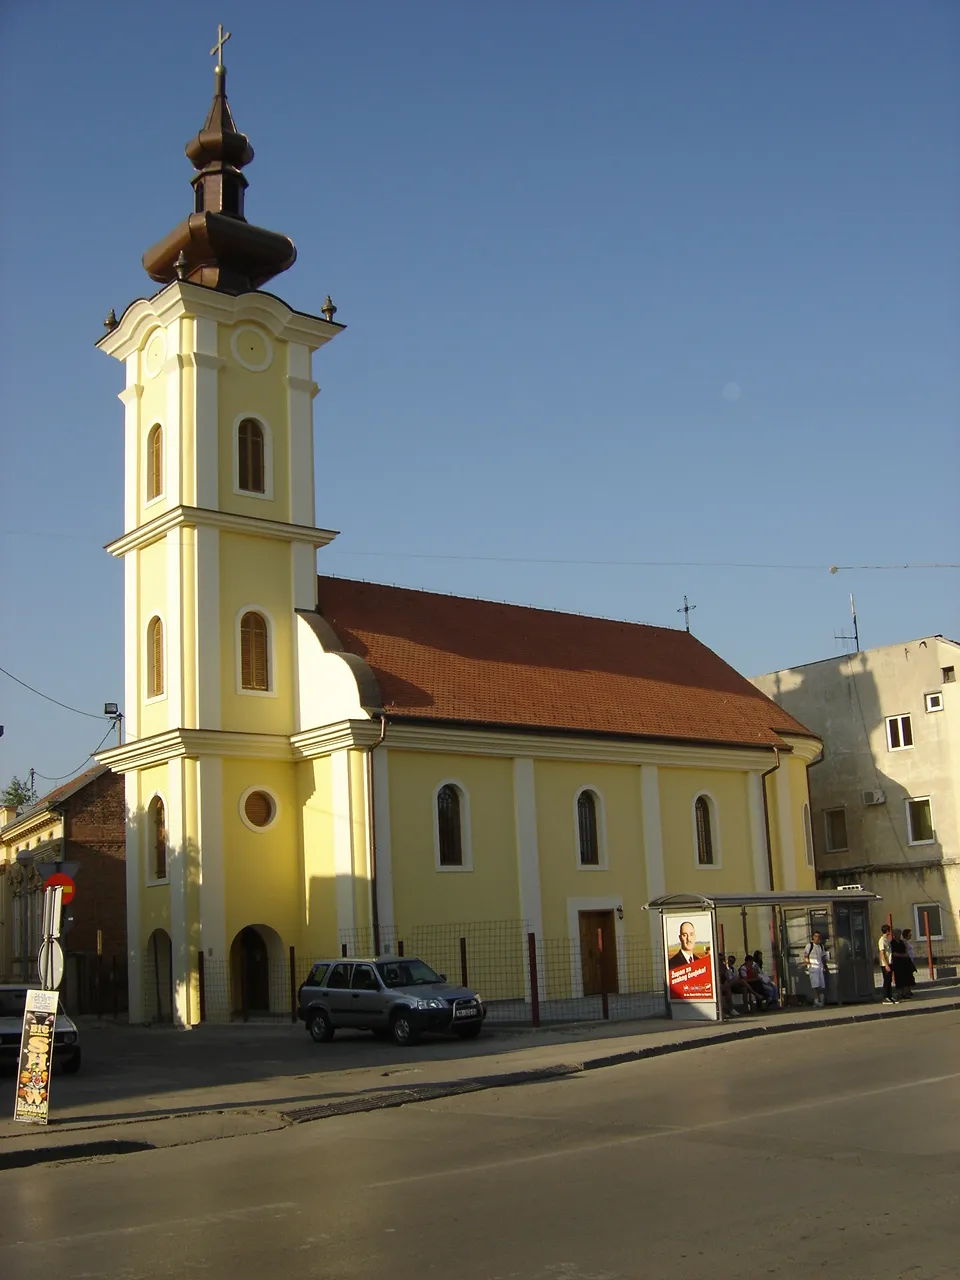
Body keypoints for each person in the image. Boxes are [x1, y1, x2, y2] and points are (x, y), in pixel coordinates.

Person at [803, 930, 827, 1007]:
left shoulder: (821, 946)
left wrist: (825, 967)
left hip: (820, 967)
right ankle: (816, 1000)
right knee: (815, 985)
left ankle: (821, 999)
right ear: (813, 937)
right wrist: (808, 965)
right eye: (815, 936)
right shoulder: (809, 945)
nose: (817, 938)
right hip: (813, 967)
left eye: (818, 937)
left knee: (821, 985)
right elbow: (806, 956)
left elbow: (823, 957)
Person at [891, 928, 913, 1000]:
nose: (899, 935)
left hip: (904, 962)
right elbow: (893, 953)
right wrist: (902, 955)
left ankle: (905, 992)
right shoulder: (893, 942)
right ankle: (900, 993)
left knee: (905, 977)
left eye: (900, 934)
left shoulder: (901, 942)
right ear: (894, 934)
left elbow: (905, 949)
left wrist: (905, 955)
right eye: (898, 934)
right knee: (899, 978)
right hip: (897, 962)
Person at [878, 923, 895, 1004]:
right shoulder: (882, 940)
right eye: (889, 930)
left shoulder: (887, 939)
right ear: (887, 931)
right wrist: (886, 965)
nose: (890, 932)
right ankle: (885, 997)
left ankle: (889, 996)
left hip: (890, 962)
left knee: (889, 980)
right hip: (885, 964)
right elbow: (882, 953)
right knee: (886, 980)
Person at [902, 928, 918, 995]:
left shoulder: (907, 942)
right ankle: (906, 991)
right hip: (907, 961)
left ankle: (909, 990)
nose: (911, 935)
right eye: (910, 934)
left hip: (910, 960)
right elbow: (905, 951)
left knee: (910, 975)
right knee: (908, 976)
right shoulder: (904, 942)